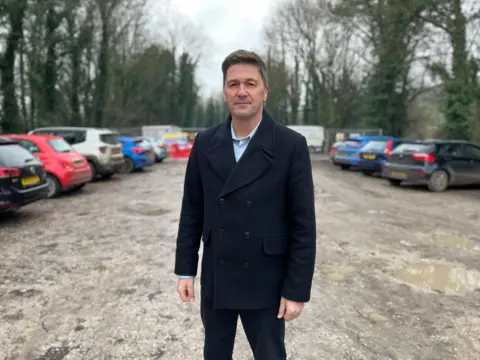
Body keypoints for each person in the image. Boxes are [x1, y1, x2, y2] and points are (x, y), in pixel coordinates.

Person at [174, 49, 316, 360]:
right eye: (233, 84)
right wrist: (185, 270)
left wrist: (296, 290)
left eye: (251, 83)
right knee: (215, 354)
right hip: (218, 277)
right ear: (224, 92)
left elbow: (303, 224)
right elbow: (192, 211)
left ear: (265, 91)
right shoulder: (205, 142)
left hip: (266, 280)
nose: (241, 91)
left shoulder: (290, 145)